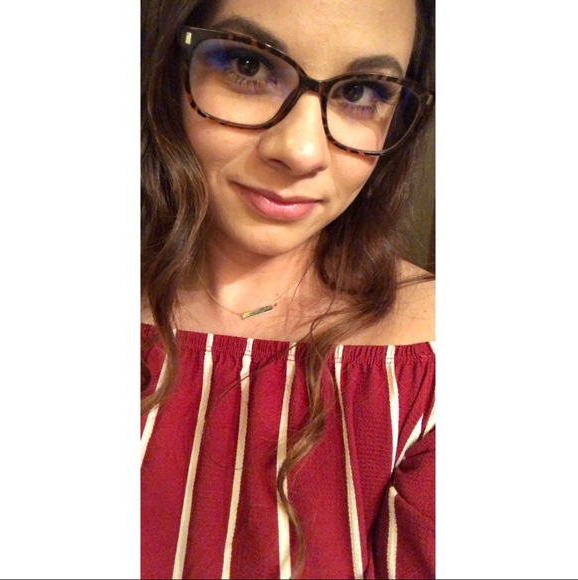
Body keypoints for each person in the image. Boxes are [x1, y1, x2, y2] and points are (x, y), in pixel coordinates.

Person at [141, 0, 435, 577]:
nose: (301, 152)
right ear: (166, 67)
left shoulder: (435, 360)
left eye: (361, 93)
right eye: (247, 66)